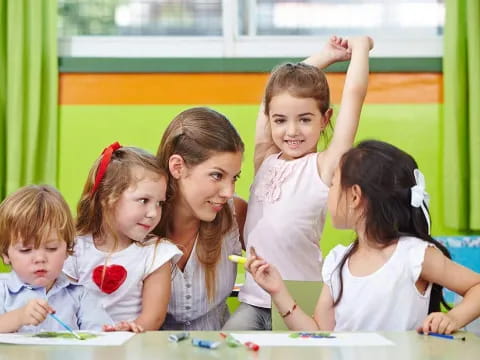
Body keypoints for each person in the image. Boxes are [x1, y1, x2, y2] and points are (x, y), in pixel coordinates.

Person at [246, 140, 480, 333]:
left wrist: (454, 318)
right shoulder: (337, 260)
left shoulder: (414, 255)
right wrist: (278, 290)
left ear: (355, 196)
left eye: (334, 184)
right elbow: (319, 334)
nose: (328, 193)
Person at [224, 35, 373, 330]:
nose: (291, 131)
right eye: (280, 120)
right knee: (227, 348)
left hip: (301, 298)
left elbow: (354, 95)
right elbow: (273, 93)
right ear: (270, 119)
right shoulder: (265, 158)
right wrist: (322, 57)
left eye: (305, 119)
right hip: (254, 298)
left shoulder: (325, 165)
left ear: (325, 118)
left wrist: (360, 49)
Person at [63, 143, 182, 332]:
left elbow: (154, 317)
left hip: (133, 345)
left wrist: (130, 329)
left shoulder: (156, 253)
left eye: (159, 203)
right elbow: (63, 304)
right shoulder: (74, 248)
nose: (153, 213)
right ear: (107, 198)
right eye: (144, 200)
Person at [155, 107, 247, 330]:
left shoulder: (237, 213)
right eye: (217, 175)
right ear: (177, 167)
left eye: (234, 177)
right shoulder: (139, 222)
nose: (228, 191)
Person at [0, 185, 112, 333]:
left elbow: (102, 338)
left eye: (52, 248)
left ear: (67, 250)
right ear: (5, 255)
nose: (40, 258)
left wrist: (121, 332)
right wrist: (18, 317)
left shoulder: (80, 295)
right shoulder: (3, 290)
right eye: (26, 250)